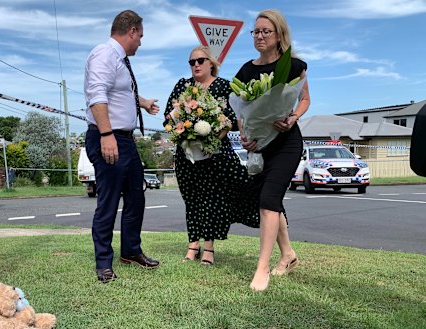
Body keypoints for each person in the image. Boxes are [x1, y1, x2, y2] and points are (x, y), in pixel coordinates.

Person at [234, 9, 311, 291]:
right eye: (256, 31)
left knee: (268, 200)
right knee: (271, 201)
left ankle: (262, 268)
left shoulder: (293, 66)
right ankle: (288, 255)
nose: (260, 36)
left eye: (266, 31)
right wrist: (246, 136)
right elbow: (242, 111)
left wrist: (291, 119)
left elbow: (304, 100)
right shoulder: (246, 70)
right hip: (261, 146)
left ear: (279, 34)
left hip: (287, 143)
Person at [164, 46, 260, 266]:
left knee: (212, 201)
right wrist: (183, 131)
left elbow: (231, 118)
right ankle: (192, 244)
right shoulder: (183, 85)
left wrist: (213, 139)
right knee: (192, 200)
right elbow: (170, 115)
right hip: (187, 155)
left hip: (214, 155)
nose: (196, 65)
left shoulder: (223, 86)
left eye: (200, 60)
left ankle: (208, 247)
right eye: (192, 62)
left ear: (211, 63)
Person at [84, 9, 161, 283]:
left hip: (126, 141)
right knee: (108, 202)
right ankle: (103, 262)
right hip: (109, 137)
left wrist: (143, 102)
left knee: (136, 198)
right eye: (140, 36)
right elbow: (97, 95)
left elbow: (120, 92)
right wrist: (106, 135)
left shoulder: (119, 60)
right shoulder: (104, 54)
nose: (140, 41)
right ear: (131, 31)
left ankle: (131, 251)